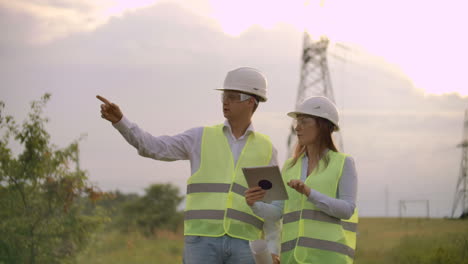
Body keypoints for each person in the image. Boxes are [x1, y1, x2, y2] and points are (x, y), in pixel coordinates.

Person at [97, 67, 281, 264]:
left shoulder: (265, 148)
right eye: (224, 96)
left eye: (233, 96)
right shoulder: (200, 137)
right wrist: (121, 123)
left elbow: (273, 207)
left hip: (246, 244)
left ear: (251, 101)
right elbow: (154, 147)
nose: (225, 101)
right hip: (201, 241)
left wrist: (272, 248)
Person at [245, 96, 358, 264]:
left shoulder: (343, 163)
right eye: (297, 122)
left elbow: (347, 210)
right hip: (292, 258)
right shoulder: (290, 166)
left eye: (304, 122)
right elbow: (277, 212)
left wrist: (309, 193)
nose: (297, 128)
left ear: (323, 125)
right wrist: (255, 205)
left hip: (329, 259)